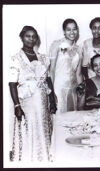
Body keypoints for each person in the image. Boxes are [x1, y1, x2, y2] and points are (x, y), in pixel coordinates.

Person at [9, 26, 57, 162]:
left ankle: (45, 159)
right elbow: (12, 84)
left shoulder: (43, 58)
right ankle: (30, 160)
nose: (31, 39)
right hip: (27, 102)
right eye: (27, 36)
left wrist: (52, 101)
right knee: (30, 128)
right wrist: (17, 106)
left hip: (43, 101)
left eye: (33, 36)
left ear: (37, 39)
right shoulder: (16, 59)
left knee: (44, 128)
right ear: (22, 38)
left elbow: (48, 80)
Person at [49, 19, 83, 113]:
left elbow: (79, 74)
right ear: (64, 31)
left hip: (73, 88)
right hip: (59, 88)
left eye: (74, 29)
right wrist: (51, 93)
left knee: (73, 118)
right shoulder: (56, 45)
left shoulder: (79, 49)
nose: (72, 32)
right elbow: (51, 70)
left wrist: (81, 93)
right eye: (68, 29)